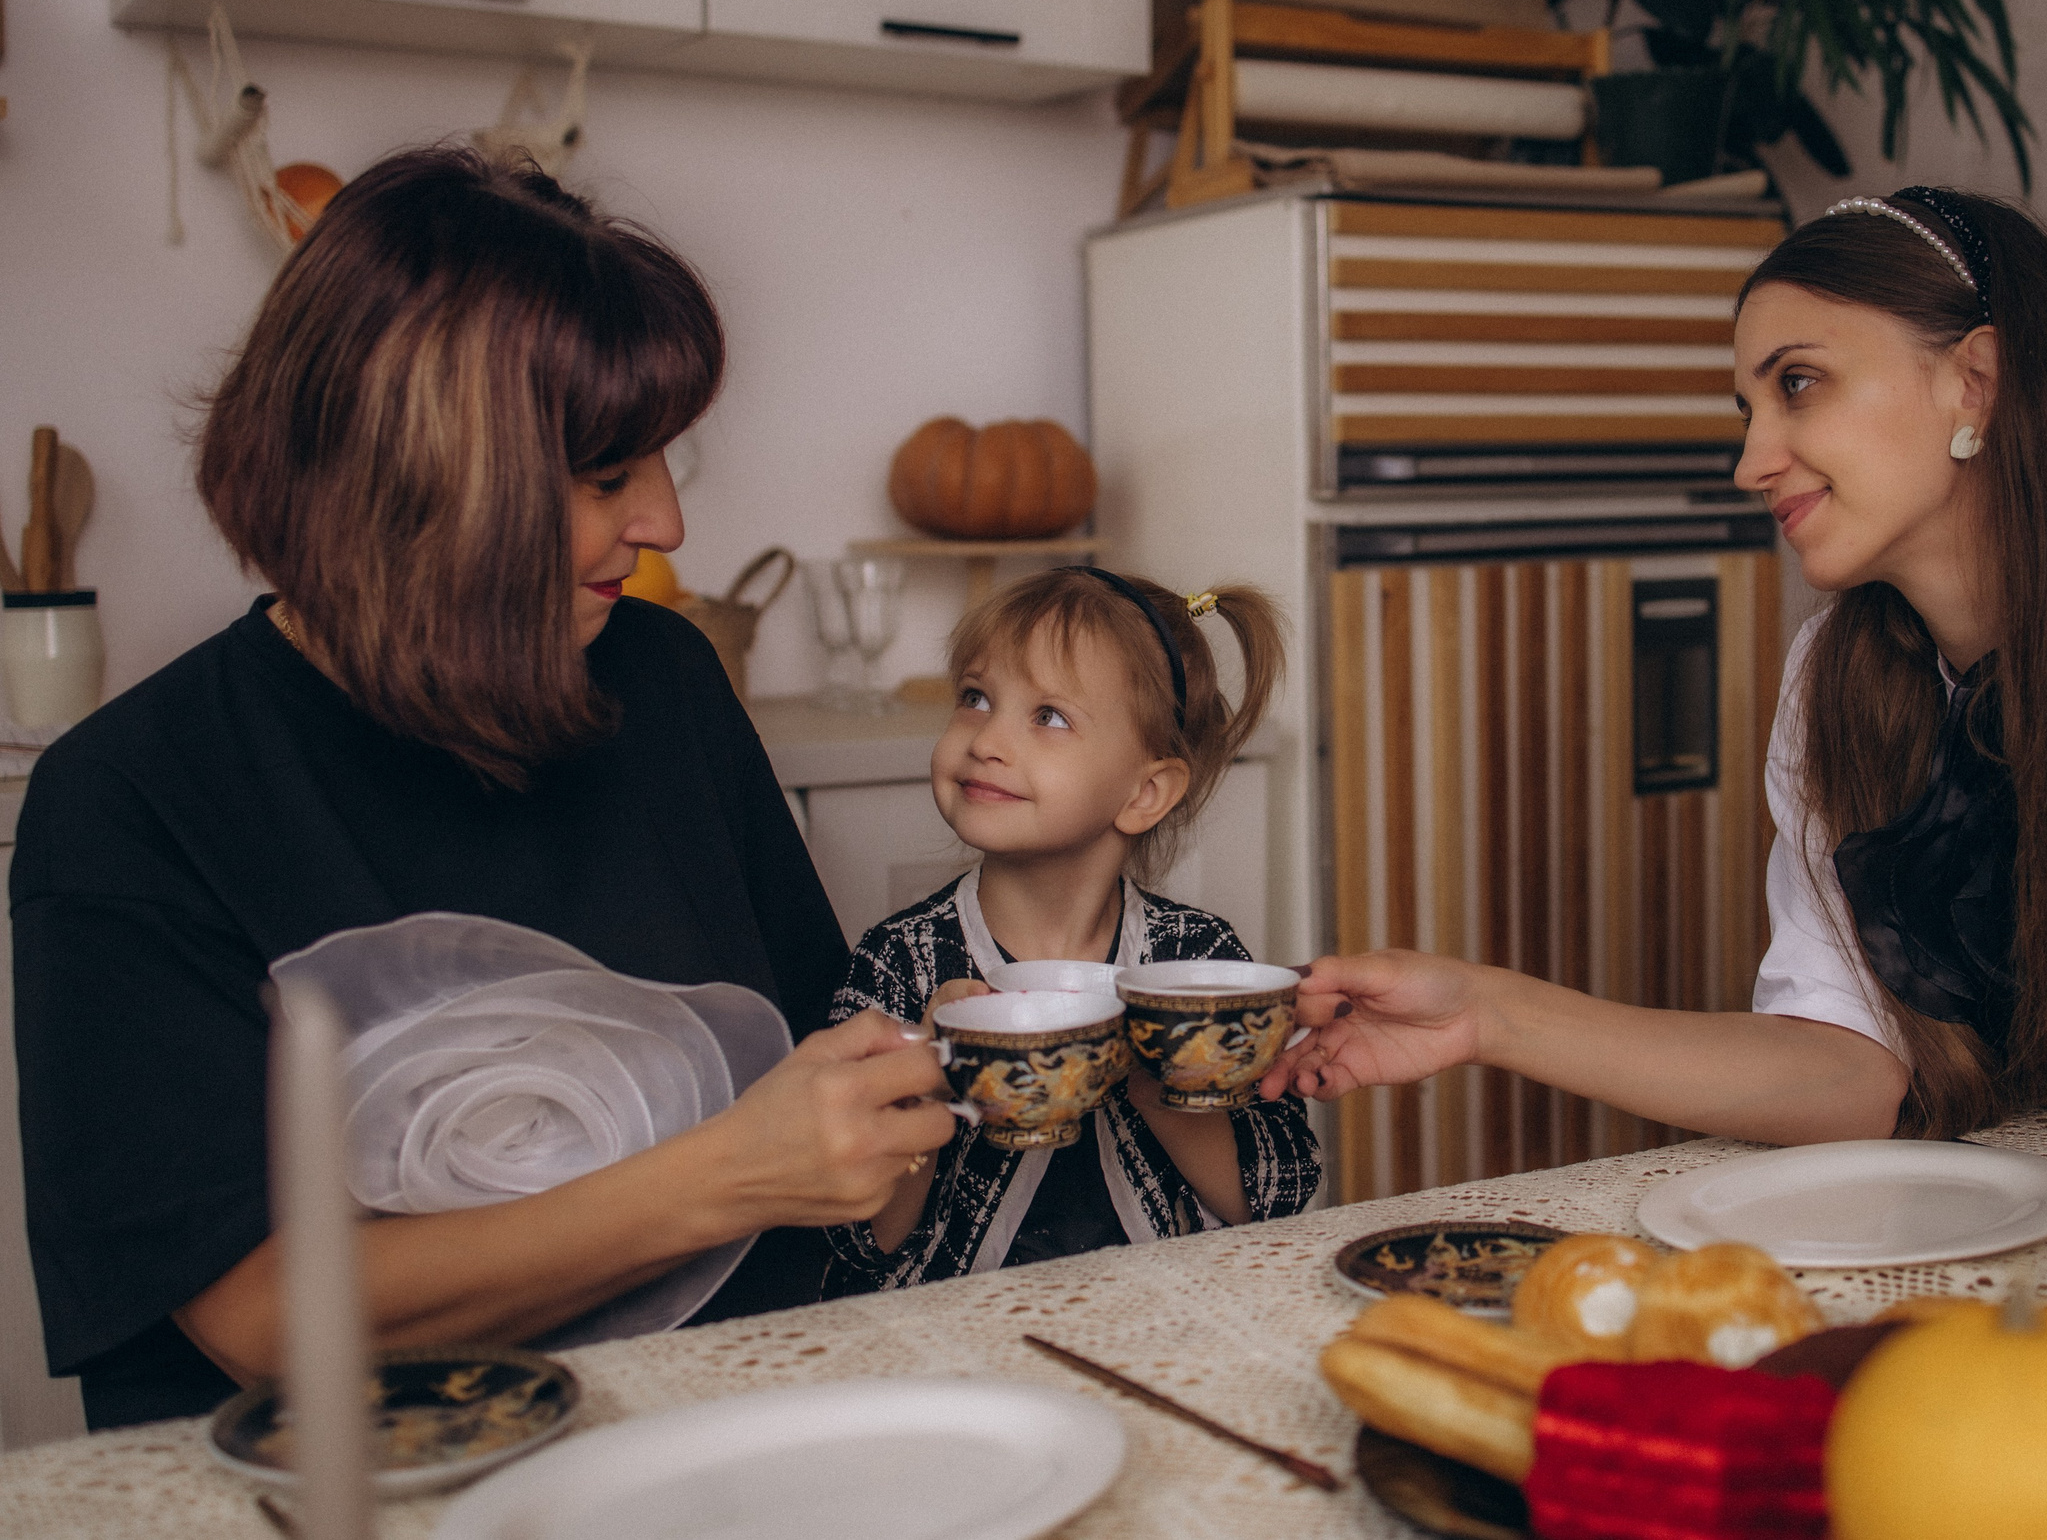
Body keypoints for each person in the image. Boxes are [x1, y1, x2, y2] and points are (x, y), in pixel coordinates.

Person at [1262, 187, 2047, 1167]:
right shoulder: (1839, 677)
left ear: (1974, 384)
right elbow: (1842, 1066)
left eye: (1800, 386)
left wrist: (1945, 1043)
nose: (1753, 457)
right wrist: (1486, 1011)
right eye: (1747, 407)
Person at [11, 148, 955, 1430]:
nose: (669, 522)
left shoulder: (664, 679)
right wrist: (730, 1176)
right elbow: (259, 1321)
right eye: (609, 473)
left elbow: (815, 1106)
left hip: (738, 1443)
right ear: (421, 477)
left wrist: (932, 1071)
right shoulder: (131, 797)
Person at [826, 568, 1322, 1287]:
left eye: (1048, 715)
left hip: (1165, 1324)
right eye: (975, 697)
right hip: (957, 1348)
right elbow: (857, 1238)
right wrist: (924, 1077)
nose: (987, 738)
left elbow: (1279, 1194)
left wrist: (1161, 1072)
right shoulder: (900, 961)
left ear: (1145, 791)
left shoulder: (1199, 961)